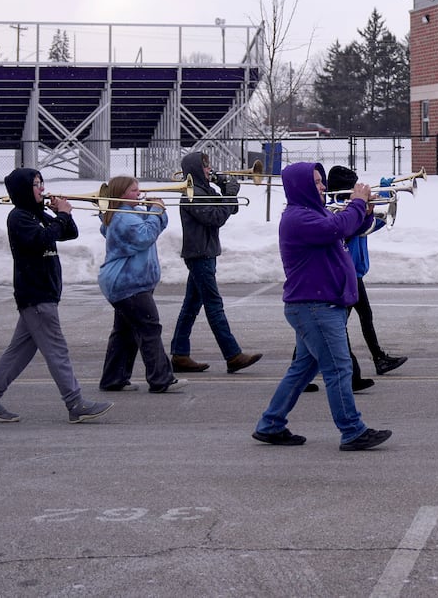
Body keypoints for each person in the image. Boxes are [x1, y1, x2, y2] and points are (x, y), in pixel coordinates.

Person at [253, 162, 390, 450]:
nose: (322, 186)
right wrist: (357, 202)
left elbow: (345, 230)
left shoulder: (315, 213)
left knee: (302, 369)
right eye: (316, 182)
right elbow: (335, 228)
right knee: (339, 369)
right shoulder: (297, 218)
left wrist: (363, 213)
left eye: (321, 181)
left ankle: (270, 424)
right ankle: (352, 430)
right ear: (301, 186)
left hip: (320, 305)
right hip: (315, 307)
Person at [0, 168, 112, 424]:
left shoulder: (37, 214)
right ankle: (75, 402)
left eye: (41, 183)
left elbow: (69, 233)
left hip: (43, 292)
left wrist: (62, 214)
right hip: (35, 294)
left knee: (18, 352)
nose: (41, 188)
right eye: (36, 184)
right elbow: (41, 239)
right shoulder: (19, 217)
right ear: (24, 190)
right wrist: (60, 215)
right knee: (57, 350)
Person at [170, 150, 261, 375]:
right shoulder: (192, 193)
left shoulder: (204, 190)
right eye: (205, 167)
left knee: (191, 305)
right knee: (214, 305)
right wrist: (229, 196)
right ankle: (233, 355)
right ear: (195, 170)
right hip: (200, 255)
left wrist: (226, 190)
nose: (210, 170)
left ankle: (180, 354)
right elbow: (216, 218)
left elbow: (232, 209)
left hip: (205, 253)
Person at [95, 177, 184, 393]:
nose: (139, 192)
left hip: (127, 283)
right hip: (128, 283)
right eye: (134, 190)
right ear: (122, 194)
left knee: (124, 333)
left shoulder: (126, 215)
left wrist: (157, 210)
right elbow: (144, 236)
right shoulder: (124, 217)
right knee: (149, 328)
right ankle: (161, 378)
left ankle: (113, 379)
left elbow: (152, 227)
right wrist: (156, 209)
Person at [327, 165, 404, 385]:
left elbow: (370, 228)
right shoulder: (339, 211)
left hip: (354, 273)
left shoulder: (353, 210)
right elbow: (351, 231)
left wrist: (385, 203)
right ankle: (355, 371)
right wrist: (363, 209)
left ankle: (376, 359)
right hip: (344, 275)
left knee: (357, 318)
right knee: (337, 325)